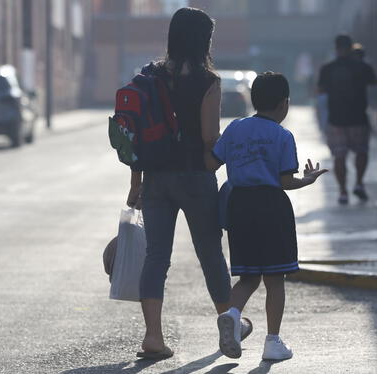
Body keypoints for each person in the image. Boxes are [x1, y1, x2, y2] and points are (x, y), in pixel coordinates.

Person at [126, 7, 252, 360]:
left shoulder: (150, 77)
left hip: (155, 177)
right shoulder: (208, 81)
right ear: (202, 41)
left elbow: (135, 136)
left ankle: (153, 336)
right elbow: (211, 137)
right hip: (196, 176)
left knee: (156, 258)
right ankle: (229, 322)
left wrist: (136, 183)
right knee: (210, 253)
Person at [205, 72, 328, 360]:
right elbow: (285, 181)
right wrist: (307, 180)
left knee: (248, 276)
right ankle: (272, 342)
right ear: (284, 104)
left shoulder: (235, 128)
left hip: (239, 206)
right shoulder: (283, 136)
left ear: (253, 99)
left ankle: (232, 314)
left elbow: (211, 162)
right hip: (272, 206)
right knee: (275, 278)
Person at [318, 35, 377, 204]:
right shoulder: (362, 66)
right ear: (351, 47)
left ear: (335, 48)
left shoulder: (327, 68)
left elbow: (321, 90)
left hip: (336, 119)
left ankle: (343, 191)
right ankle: (359, 182)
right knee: (361, 151)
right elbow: (374, 82)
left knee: (339, 156)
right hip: (358, 117)